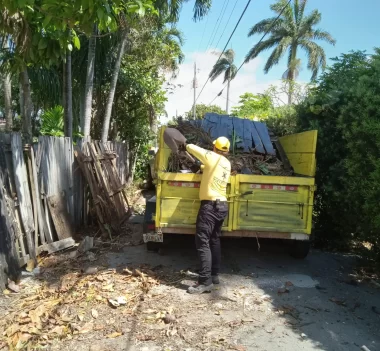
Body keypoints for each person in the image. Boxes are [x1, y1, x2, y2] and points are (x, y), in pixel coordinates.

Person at [181, 137, 231, 294]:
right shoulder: (226, 163)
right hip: (222, 205)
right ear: (227, 151)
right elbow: (209, 168)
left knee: (202, 242)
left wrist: (184, 143)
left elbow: (192, 148)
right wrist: (200, 166)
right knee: (214, 239)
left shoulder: (211, 156)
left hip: (210, 206)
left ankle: (205, 282)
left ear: (214, 147)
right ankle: (214, 274)